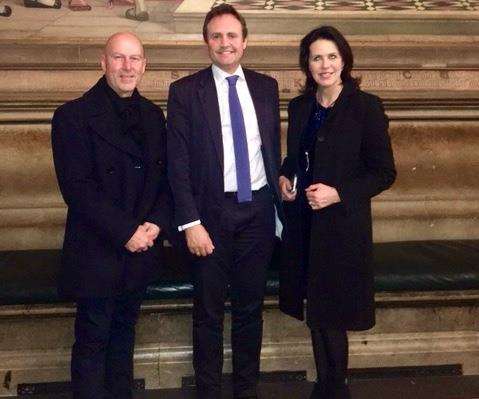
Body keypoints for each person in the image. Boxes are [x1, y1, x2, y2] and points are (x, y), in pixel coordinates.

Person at [167, 4, 283, 398]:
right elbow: (177, 164)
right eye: (216, 36)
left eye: (232, 35)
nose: (224, 43)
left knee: (251, 310)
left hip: (258, 214)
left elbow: (270, 151)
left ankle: (246, 390)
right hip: (210, 216)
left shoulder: (267, 88)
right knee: (209, 313)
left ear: (244, 42)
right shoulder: (185, 92)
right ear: (206, 43)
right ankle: (209, 391)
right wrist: (190, 222)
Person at [51, 31, 172, 399]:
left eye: (134, 58)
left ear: (144, 65)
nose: (127, 66)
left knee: (124, 340)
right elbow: (78, 189)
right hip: (96, 252)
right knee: (92, 342)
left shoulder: (153, 116)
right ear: (102, 63)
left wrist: (156, 223)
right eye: (118, 58)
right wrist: (126, 232)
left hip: (140, 249)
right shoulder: (72, 116)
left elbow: (166, 179)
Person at [278, 26, 396, 399]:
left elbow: (383, 172)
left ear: (344, 60)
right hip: (305, 225)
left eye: (331, 56)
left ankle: (335, 387)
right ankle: (323, 385)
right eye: (316, 57)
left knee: (333, 315)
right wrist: (286, 177)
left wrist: (338, 193)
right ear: (307, 64)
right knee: (315, 310)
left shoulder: (366, 107)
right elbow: (296, 159)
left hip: (343, 228)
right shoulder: (300, 108)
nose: (324, 64)